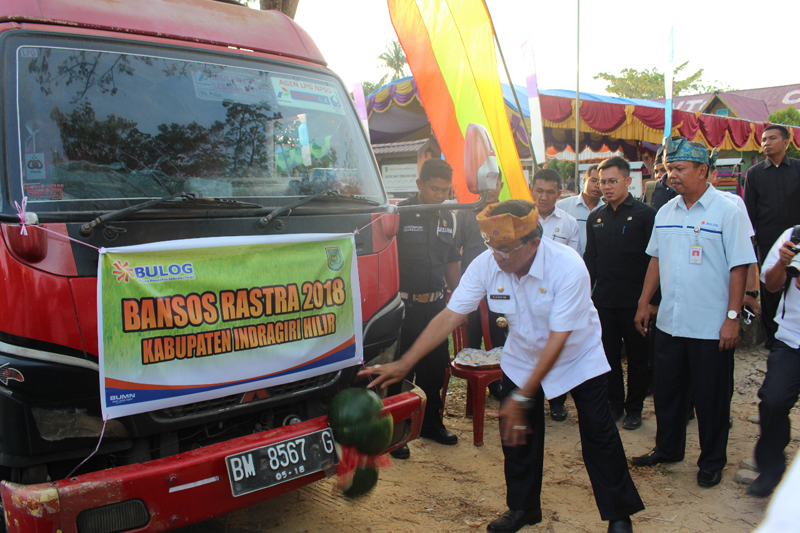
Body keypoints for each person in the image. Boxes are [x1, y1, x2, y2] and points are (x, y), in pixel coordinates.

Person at [361, 200, 644, 533]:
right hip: (522, 358)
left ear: (534, 243)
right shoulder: (488, 263)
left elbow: (558, 338)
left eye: (507, 249)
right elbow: (451, 315)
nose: (498, 256)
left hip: (576, 357)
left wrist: (522, 398)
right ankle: (523, 509)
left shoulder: (568, 266)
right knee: (517, 438)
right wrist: (405, 362)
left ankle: (619, 515)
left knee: (598, 433)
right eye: (492, 246)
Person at [631, 137, 756, 488]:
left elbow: (739, 267)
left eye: (679, 169)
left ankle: (712, 461)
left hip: (711, 325)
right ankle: (668, 449)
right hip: (671, 321)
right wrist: (644, 302)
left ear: (703, 171)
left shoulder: (727, 210)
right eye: (669, 168)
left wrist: (732, 319)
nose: (672, 175)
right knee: (669, 393)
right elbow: (656, 259)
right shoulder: (666, 212)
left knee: (711, 398)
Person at [391, 157, 461, 459]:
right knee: (400, 368)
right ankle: (398, 432)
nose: (440, 196)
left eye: (446, 190)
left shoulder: (450, 216)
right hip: (404, 306)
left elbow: (451, 262)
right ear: (420, 185)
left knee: (435, 369)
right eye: (434, 189)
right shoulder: (400, 213)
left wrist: (459, 297)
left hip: (436, 306)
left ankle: (432, 423)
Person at [584, 157, 655, 430]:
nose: (607, 187)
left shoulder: (645, 214)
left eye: (613, 181)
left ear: (628, 181)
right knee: (608, 356)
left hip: (636, 303)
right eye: (602, 182)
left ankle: (634, 408)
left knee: (638, 358)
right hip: (604, 301)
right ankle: (615, 404)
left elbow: (656, 261)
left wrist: (651, 303)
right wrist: (584, 297)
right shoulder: (596, 217)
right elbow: (590, 260)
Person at [747, 226, 800, 497]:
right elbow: (771, 284)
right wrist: (784, 261)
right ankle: (770, 468)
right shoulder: (794, 234)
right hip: (792, 339)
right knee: (773, 400)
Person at [744, 125, 800, 349]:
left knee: (794, 282)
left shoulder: (798, 168)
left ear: (786, 142)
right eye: (764, 139)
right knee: (769, 286)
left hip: (796, 239)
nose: (766, 142)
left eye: (772, 138)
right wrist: (750, 240)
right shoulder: (754, 173)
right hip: (767, 239)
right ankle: (773, 337)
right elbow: (749, 211)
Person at [530, 168, 580, 421]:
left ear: (559, 194)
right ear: (531, 190)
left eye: (550, 192)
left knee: (558, 350)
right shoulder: (521, 219)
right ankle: (531, 398)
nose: (544, 197)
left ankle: (558, 401)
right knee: (530, 348)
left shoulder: (568, 223)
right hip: (526, 297)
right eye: (539, 191)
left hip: (557, 298)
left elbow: (575, 264)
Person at [456, 174, 508, 352]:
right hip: (472, 288)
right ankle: (473, 379)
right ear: (477, 186)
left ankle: (499, 379)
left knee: (499, 339)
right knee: (472, 340)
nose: (490, 190)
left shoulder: (508, 214)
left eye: (494, 184)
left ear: (501, 184)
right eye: (485, 185)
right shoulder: (465, 213)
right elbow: (455, 252)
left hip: (502, 286)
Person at [556, 164, 604, 257]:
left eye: (601, 182)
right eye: (593, 181)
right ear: (584, 181)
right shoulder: (563, 206)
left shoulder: (606, 211)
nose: (596, 185)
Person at [649, 146, 677, 212]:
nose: (658, 175)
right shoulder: (651, 189)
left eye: (663, 170)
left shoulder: (686, 190)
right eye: (656, 171)